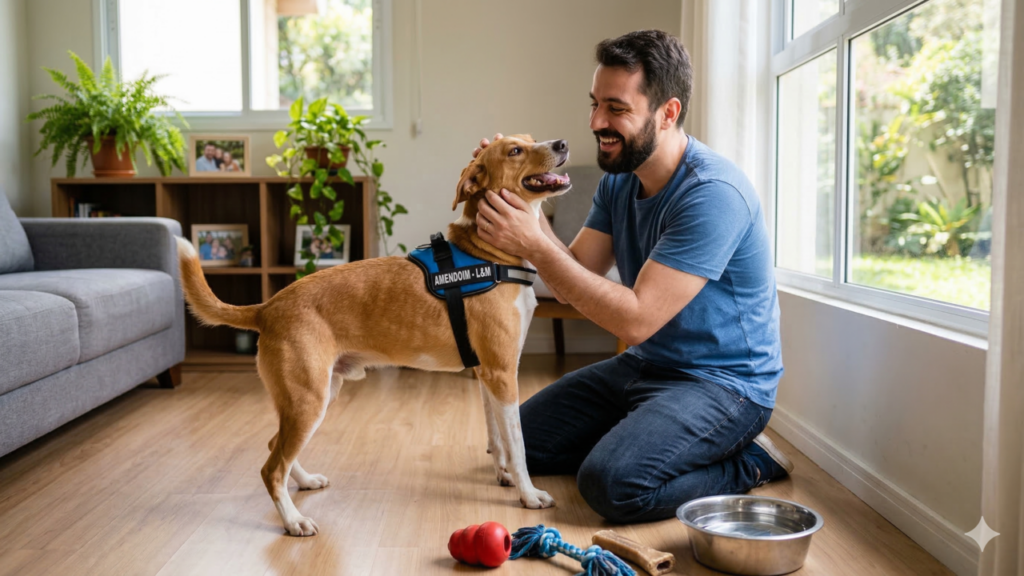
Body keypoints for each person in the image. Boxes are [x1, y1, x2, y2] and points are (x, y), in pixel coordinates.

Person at [472, 29, 791, 523]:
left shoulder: (713, 194)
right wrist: (522, 197)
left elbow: (636, 321)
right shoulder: (619, 180)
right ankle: (653, 435)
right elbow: (569, 276)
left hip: (724, 385)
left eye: (616, 108)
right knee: (519, 449)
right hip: (648, 368)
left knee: (612, 484)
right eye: (595, 103)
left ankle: (749, 462)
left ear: (667, 112)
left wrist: (533, 242)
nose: (597, 122)